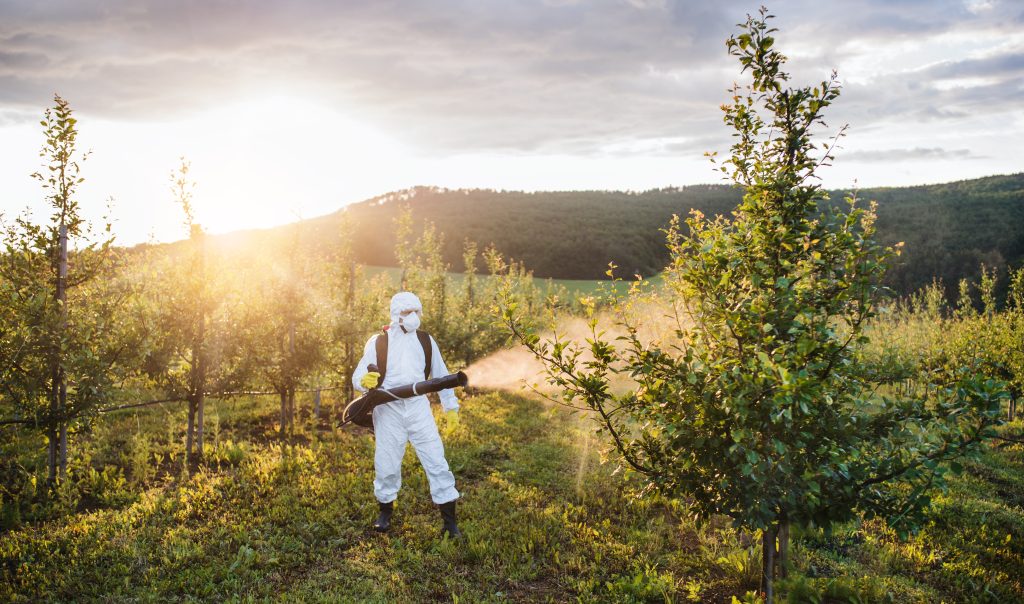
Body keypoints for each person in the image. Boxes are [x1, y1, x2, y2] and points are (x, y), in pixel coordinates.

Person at [352, 291, 462, 538]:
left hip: (418, 409)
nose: (412, 317)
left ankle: (450, 522)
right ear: (395, 314)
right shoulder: (378, 342)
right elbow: (358, 375)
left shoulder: (425, 341)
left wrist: (451, 408)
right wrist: (364, 380)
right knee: (387, 464)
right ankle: (385, 512)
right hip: (387, 410)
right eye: (406, 312)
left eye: (416, 311)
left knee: (436, 461)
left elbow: (442, 376)